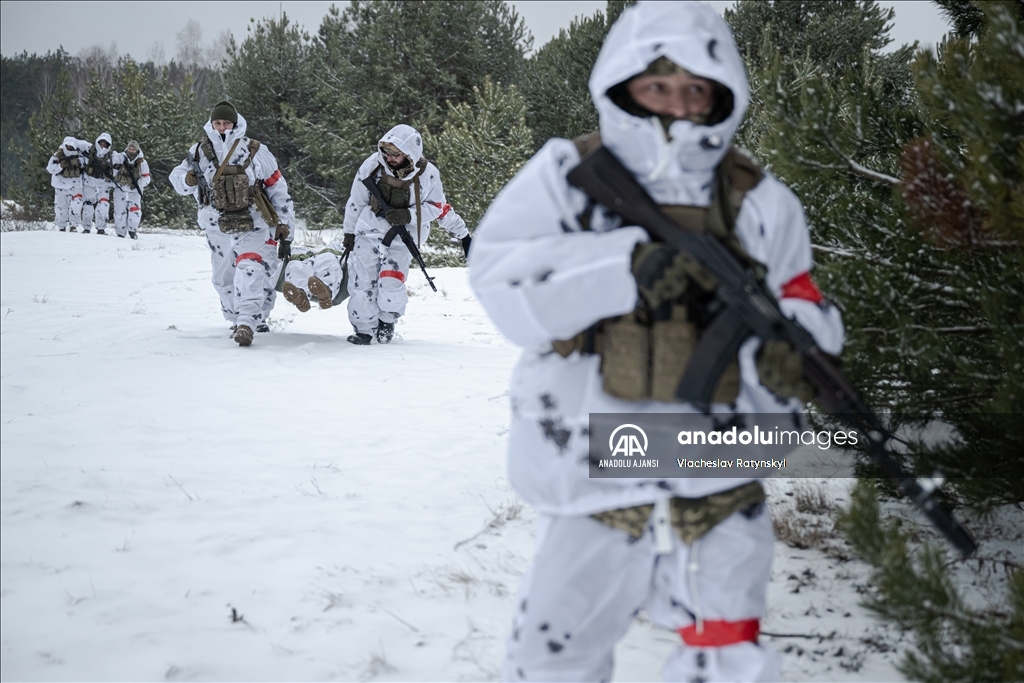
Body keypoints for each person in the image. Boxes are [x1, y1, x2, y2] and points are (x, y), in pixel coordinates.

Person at [468, 3, 845, 682]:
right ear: (623, 83)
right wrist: (621, 267)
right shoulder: (566, 177)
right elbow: (497, 275)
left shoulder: (762, 202)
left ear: (721, 95)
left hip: (720, 464)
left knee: (725, 654)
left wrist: (801, 349)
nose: (676, 106)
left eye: (695, 90)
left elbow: (801, 296)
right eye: (658, 86)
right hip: (594, 465)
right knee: (554, 653)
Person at [169, 100, 295, 347]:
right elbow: (177, 181)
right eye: (218, 122)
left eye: (227, 122)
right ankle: (237, 318)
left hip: (253, 223)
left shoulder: (256, 152)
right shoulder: (198, 153)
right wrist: (188, 179)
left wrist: (285, 226)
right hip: (216, 224)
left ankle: (249, 322)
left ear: (236, 123)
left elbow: (278, 189)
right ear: (211, 124)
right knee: (223, 278)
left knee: (252, 269)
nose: (223, 127)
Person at [341, 124, 470, 345]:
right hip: (369, 231)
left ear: (409, 152)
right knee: (362, 283)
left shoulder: (428, 175)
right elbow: (356, 201)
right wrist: (349, 233)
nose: (389, 158)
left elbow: (438, 207)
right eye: (386, 153)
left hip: (402, 238)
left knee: (391, 283)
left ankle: (387, 322)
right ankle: (363, 329)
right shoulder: (372, 166)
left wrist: (409, 215)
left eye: (395, 154)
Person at [283, 205, 470, 314]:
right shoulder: (372, 175)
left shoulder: (424, 185)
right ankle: (303, 294)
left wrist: (464, 236)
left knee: (331, 265)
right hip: (364, 240)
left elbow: (441, 209)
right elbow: (355, 204)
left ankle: (326, 293)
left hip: (398, 242)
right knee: (300, 266)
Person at [110, 140, 151, 239]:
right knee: (119, 212)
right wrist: (114, 182)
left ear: (137, 150)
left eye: (133, 149)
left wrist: (138, 185)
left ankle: (132, 231)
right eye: (130, 148)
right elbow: (113, 172)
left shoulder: (142, 162)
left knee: (135, 211)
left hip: (134, 191)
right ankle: (120, 232)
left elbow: (146, 178)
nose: (131, 151)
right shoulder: (120, 158)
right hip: (120, 188)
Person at [45, 136, 87, 232]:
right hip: (61, 184)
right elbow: (49, 168)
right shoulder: (58, 154)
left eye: (71, 145)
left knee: (76, 204)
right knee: (61, 206)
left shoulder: (79, 155)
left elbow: (85, 168)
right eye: (67, 145)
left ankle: (73, 225)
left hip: (75, 184)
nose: (69, 147)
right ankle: (61, 226)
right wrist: (59, 166)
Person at [80, 132, 114, 235]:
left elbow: (116, 169)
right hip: (89, 181)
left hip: (103, 183)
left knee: (103, 205)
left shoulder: (112, 156)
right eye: (101, 143)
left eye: (105, 144)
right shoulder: (89, 151)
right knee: (88, 205)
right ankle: (86, 227)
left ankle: (101, 228)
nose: (102, 146)